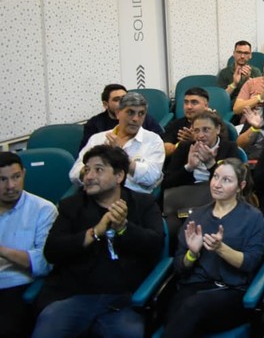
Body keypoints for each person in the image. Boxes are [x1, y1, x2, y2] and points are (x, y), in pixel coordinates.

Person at [32, 145, 164, 338]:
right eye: (87, 169)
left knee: (130, 332)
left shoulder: (143, 203)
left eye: (98, 170)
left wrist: (123, 228)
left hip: (122, 299)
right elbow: (52, 251)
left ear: (119, 176)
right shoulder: (72, 205)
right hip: (75, 295)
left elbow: (155, 245)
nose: (89, 176)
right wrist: (95, 232)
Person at [164, 158, 264, 338]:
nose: (217, 184)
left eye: (226, 180)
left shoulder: (253, 218)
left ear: (240, 186)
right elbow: (180, 267)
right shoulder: (197, 216)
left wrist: (220, 248)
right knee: (173, 309)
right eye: (215, 177)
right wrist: (192, 253)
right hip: (195, 286)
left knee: (192, 307)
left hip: (232, 292)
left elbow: (250, 263)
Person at [0, 152, 58, 338]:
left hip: (17, 287)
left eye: (16, 177)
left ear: (24, 173)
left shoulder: (43, 209)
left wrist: (2, 251)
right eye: (2, 179)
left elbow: (44, 263)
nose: (10, 186)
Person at [73, 92, 165, 195]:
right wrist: (94, 171)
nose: (136, 119)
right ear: (118, 113)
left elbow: (151, 178)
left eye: (141, 114)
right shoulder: (98, 139)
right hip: (97, 195)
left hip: (133, 198)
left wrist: (120, 154)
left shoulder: (153, 140)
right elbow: (74, 173)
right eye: (130, 112)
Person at [163, 110, 241, 190]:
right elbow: (167, 183)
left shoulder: (230, 148)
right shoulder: (184, 147)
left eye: (206, 130)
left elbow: (233, 183)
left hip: (216, 195)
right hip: (187, 194)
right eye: (196, 130)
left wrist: (211, 164)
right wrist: (189, 167)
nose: (200, 135)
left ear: (217, 129)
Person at [81, 83, 164, 147]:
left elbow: (161, 142)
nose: (122, 103)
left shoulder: (143, 118)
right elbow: (85, 157)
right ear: (106, 104)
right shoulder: (94, 124)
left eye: (125, 98)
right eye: (116, 100)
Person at [162, 86, 217, 161]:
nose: (189, 107)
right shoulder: (175, 124)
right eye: (186, 102)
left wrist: (195, 139)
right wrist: (182, 144)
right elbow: (163, 150)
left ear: (206, 106)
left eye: (194, 102)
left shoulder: (215, 124)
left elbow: (221, 148)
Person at [218, 40, 263, 105]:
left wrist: (249, 80)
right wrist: (234, 84)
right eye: (239, 52)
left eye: (246, 53)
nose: (242, 56)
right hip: (232, 107)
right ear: (234, 54)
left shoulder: (256, 71)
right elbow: (221, 99)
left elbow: (260, 96)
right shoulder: (224, 73)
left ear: (250, 55)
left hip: (251, 105)